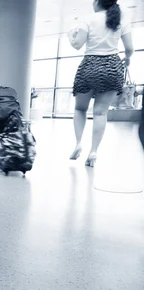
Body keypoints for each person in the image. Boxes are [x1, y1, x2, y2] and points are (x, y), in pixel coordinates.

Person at [68, 0, 133, 167]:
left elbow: (77, 45)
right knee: (100, 113)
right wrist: (128, 58)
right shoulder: (121, 20)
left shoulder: (88, 19)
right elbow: (129, 48)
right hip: (112, 66)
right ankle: (93, 152)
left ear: (97, 2)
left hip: (89, 64)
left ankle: (77, 143)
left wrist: (70, 36)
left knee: (80, 108)